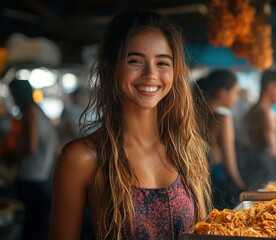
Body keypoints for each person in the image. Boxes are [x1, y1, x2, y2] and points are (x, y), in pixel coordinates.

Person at [49, 10, 212, 240]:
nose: (151, 74)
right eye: (135, 61)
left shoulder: (187, 149)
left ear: (175, 72)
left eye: (162, 63)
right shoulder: (82, 157)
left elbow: (203, 233)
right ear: (110, 67)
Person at [8, 79, 58, 240]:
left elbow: (30, 146)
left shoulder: (29, 113)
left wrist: (12, 153)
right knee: (39, 228)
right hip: (42, 180)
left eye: (13, 95)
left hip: (31, 179)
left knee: (30, 230)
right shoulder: (40, 112)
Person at [194, 69, 246, 210]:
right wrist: (244, 189)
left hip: (198, 188)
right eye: (235, 92)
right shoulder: (223, 118)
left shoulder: (193, 116)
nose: (236, 98)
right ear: (222, 93)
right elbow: (231, 167)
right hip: (218, 185)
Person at [241, 70, 276, 189]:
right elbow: (274, 151)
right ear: (271, 86)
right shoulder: (268, 113)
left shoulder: (252, 110)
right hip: (264, 169)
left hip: (250, 168)